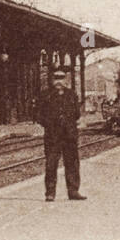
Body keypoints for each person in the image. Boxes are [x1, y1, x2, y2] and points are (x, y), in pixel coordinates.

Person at [36, 66, 85, 201]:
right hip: (53, 135)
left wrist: (67, 122)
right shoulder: (45, 95)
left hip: (69, 135)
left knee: (72, 163)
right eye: (56, 78)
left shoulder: (72, 94)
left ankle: (73, 191)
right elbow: (38, 115)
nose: (59, 81)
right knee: (51, 164)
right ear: (52, 79)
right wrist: (50, 124)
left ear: (66, 79)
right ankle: (50, 193)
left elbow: (77, 113)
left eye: (61, 78)